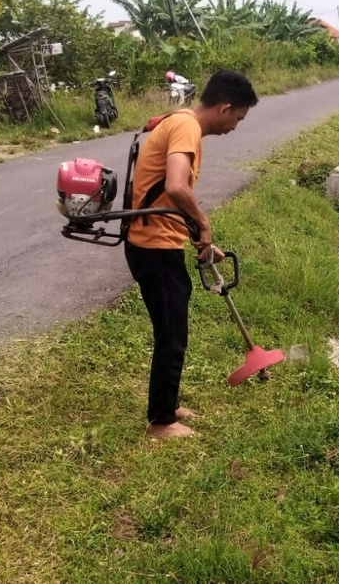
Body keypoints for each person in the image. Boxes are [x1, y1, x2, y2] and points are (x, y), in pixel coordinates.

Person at [124, 70, 259, 439]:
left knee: (173, 329)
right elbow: (176, 187)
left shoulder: (182, 124)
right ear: (225, 109)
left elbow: (167, 198)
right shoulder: (186, 127)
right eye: (238, 119)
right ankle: (161, 422)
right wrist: (204, 223)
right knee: (172, 333)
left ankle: (168, 405)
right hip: (153, 247)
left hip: (156, 241)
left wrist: (200, 239)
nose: (235, 127)